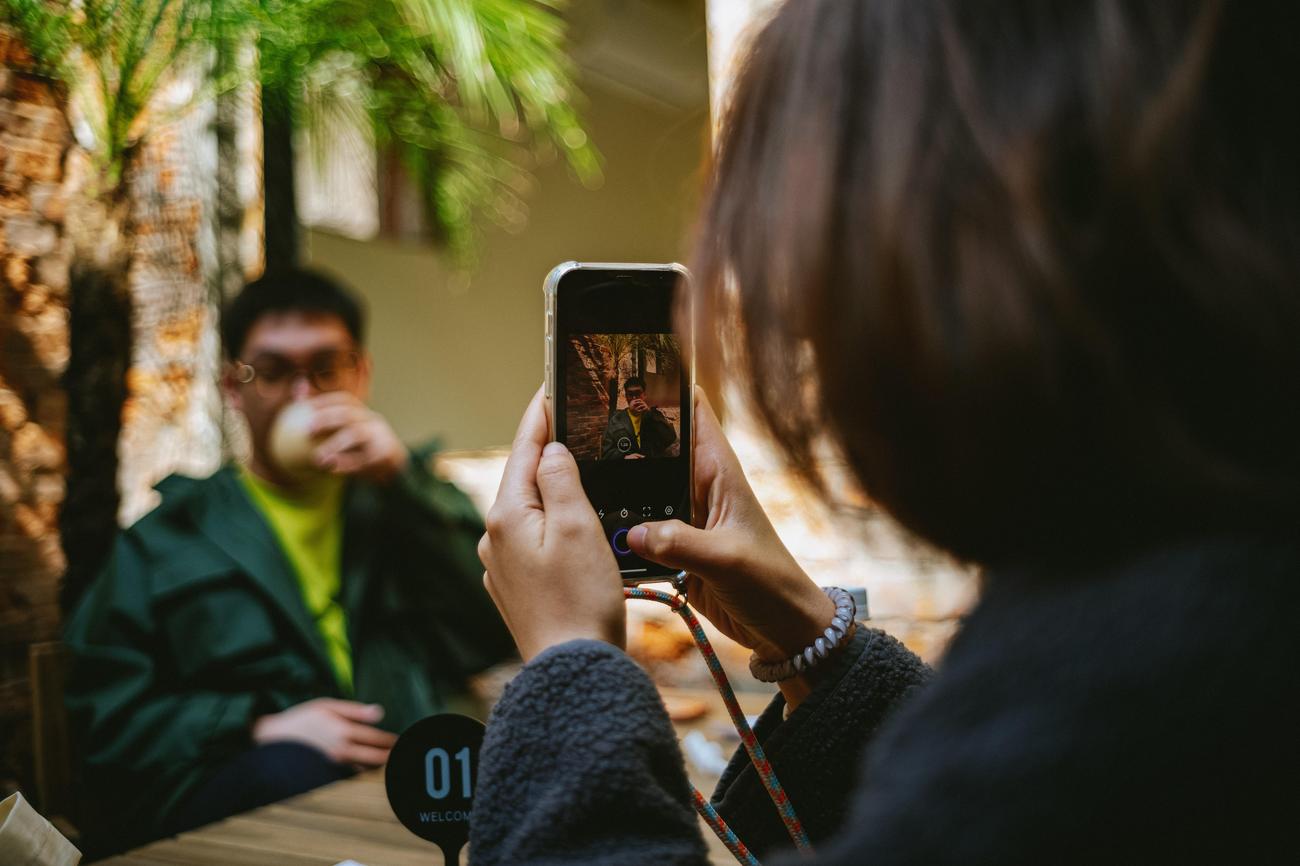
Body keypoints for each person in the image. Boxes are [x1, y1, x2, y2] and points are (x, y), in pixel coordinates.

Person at [471, 1, 1300, 864]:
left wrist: (569, 671)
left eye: (822, 261)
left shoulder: (1145, 676)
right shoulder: (1213, 585)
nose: (809, 337)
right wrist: (816, 645)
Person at [63, 268, 515, 852]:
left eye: (325, 368)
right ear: (234, 388)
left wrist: (403, 480)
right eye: (273, 372)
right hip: (243, 798)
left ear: (361, 375)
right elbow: (104, 719)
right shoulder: (167, 539)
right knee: (294, 770)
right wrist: (257, 727)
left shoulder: (403, 506)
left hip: (399, 791)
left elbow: (496, 628)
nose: (303, 395)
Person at [600, 376, 677, 460]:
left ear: (644, 395)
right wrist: (624, 457)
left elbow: (670, 438)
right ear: (626, 396)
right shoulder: (616, 420)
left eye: (638, 393)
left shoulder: (655, 415)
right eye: (630, 394)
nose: (634, 398)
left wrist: (649, 414)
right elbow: (606, 452)